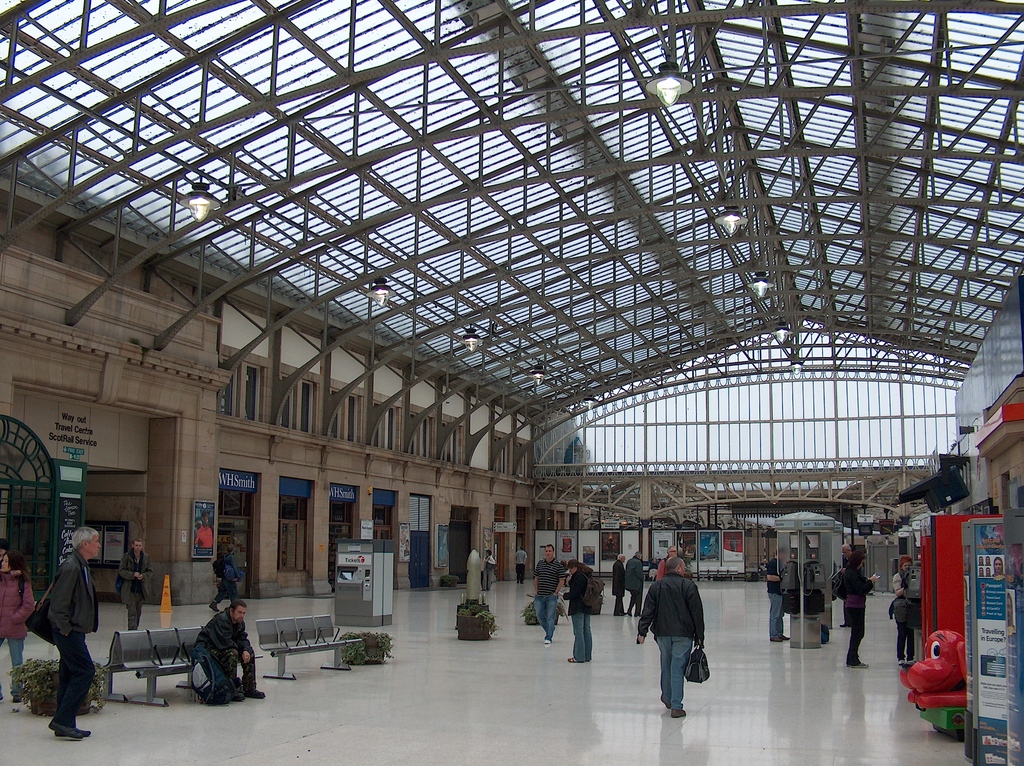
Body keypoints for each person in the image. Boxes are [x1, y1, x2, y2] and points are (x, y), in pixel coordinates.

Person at [48, 526, 101, 739]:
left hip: (75, 630)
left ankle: (65, 722)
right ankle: (62, 720)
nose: (99, 544)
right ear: (85, 544)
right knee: (85, 671)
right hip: (68, 632)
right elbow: (58, 606)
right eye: (96, 541)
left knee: (69, 675)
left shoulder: (82, 566)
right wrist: (66, 630)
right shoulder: (72, 568)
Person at [637, 556, 706, 719]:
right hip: (683, 634)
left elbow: (648, 610)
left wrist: (642, 631)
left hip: (662, 633)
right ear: (679, 568)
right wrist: (700, 636)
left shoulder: (657, 586)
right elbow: (697, 613)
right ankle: (676, 705)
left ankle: (667, 697)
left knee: (666, 664)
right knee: (678, 667)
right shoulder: (688, 586)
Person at [195, 599, 265, 701]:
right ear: (231, 611)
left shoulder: (239, 622)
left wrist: (245, 650)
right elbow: (224, 642)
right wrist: (241, 650)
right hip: (208, 649)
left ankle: (249, 688)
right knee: (232, 654)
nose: (242, 616)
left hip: (224, 646)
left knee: (249, 653)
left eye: (244, 613)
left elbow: (242, 638)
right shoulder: (221, 620)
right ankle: (231, 688)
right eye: (239, 612)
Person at [0, 549, 34, 703]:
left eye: (6, 561)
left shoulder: (22, 581)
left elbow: (28, 606)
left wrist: (15, 618)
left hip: (14, 626)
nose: (3, 563)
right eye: (3, 560)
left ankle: (17, 691)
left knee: (17, 662)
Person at [843, 549, 879, 669]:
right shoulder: (852, 573)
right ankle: (853, 658)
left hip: (852, 604)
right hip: (855, 605)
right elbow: (861, 589)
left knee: (856, 632)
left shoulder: (849, 572)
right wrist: (870, 582)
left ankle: (852, 657)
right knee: (858, 632)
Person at [533, 544, 567, 646]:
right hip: (540, 595)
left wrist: (556, 592)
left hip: (551, 596)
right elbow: (536, 577)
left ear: (553, 552)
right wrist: (537, 590)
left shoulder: (558, 565)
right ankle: (550, 629)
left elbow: (562, 580)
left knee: (550, 617)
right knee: (539, 614)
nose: (548, 553)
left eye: (549, 551)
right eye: (546, 551)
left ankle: (548, 636)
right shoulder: (540, 564)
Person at [118, 538, 154, 630]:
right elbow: (121, 571)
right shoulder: (126, 557)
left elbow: (150, 571)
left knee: (138, 612)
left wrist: (143, 576)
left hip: (141, 589)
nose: (138, 548)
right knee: (132, 611)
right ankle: (131, 630)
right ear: (133, 545)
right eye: (136, 545)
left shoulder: (146, 558)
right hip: (129, 589)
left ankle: (135, 628)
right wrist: (132, 574)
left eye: (140, 545)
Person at [563, 559, 594, 663]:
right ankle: (587, 655)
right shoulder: (586, 574)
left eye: (570, 569)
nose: (570, 572)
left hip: (578, 606)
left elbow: (575, 593)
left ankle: (578, 656)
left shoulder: (578, 576)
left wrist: (565, 595)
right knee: (586, 630)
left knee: (578, 631)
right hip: (587, 605)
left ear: (575, 567)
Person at [892, 555, 915, 665]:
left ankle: (910, 656)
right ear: (901, 566)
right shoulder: (898, 577)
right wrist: (907, 587)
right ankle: (900, 656)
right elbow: (897, 592)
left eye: (909, 565)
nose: (907, 568)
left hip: (911, 605)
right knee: (902, 633)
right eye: (905, 566)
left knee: (911, 633)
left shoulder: (914, 575)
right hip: (901, 606)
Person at [210, 543, 241, 612]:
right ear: (233, 549)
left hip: (224, 577)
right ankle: (235, 606)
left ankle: (214, 602)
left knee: (222, 591)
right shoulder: (231, 557)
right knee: (233, 593)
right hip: (230, 578)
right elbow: (234, 566)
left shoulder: (225, 556)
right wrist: (237, 576)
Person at [765, 550, 789, 642]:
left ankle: (779, 633)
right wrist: (782, 579)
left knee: (780, 614)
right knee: (775, 614)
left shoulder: (780, 564)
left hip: (780, 592)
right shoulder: (773, 563)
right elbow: (770, 577)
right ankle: (773, 634)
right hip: (774, 592)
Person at [624, 551, 644, 616]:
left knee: (633, 597)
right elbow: (639, 573)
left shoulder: (629, 561)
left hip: (629, 584)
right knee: (638, 598)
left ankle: (629, 611)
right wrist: (642, 579)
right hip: (637, 584)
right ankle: (637, 612)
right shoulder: (638, 562)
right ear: (639, 556)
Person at [839, 543, 852, 627]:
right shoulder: (843, 559)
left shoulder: (853, 559)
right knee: (845, 601)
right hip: (845, 583)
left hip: (851, 583)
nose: (844, 554)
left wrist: (846, 570)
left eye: (845, 552)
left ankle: (850, 621)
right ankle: (846, 621)